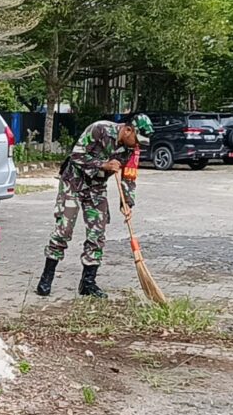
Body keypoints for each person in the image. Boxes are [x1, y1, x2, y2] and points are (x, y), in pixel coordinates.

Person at [35, 114, 154, 299]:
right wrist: (104, 165)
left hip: (96, 188)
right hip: (72, 184)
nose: (137, 145)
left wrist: (127, 203)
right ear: (128, 129)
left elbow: (129, 176)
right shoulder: (99, 129)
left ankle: (88, 283)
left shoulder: (132, 149)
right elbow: (76, 155)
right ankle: (46, 278)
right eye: (136, 140)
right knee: (64, 230)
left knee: (97, 234)